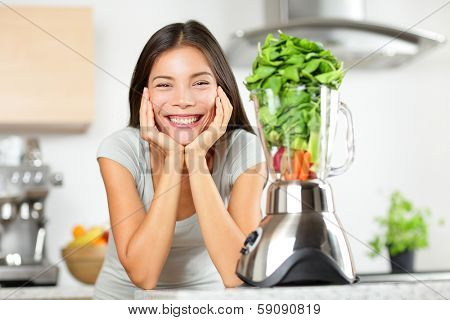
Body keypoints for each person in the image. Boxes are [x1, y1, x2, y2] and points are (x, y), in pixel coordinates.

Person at [93, 20, 268, 299]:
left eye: (199, 83)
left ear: (221, 91)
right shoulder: (119, 151)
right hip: (122, 306)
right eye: (165, 85)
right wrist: (176, 159)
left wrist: (195, 158)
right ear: (145, 96)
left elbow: (239, 274)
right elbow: (144, 275)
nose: (183, 100)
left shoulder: (245, 150)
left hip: (205, 304)